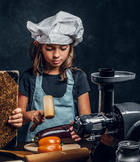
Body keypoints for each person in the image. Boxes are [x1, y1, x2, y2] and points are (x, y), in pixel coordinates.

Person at [18, 11, 91, 142]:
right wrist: (31, 115)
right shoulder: (29, 77)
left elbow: (87, 119)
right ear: (39, 46)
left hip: (69, 147)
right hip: (35, 147)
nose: (56, 55)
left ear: (70, 47)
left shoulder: (78, 77)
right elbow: (18, 119)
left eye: (63, 48)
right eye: (50, 48)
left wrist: (83, 131)